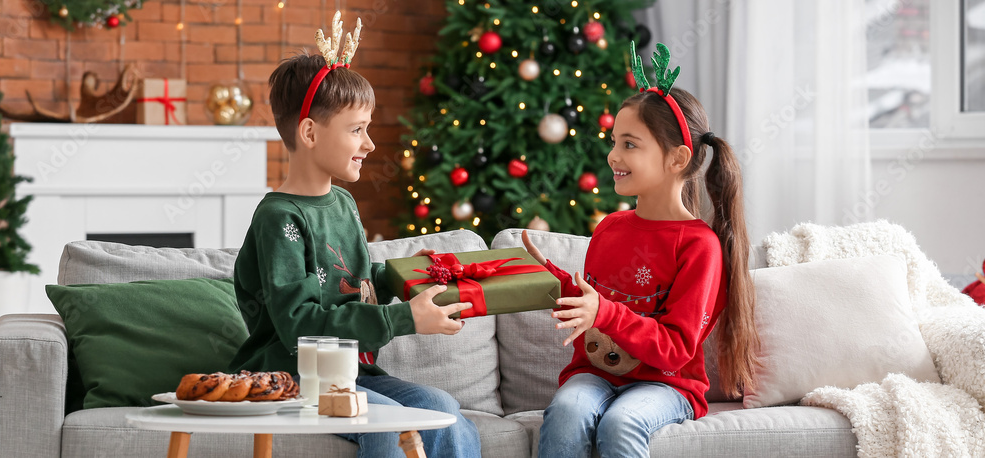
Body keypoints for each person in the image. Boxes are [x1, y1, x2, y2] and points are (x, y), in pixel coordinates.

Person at [227, 13, 481, 458]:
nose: (370, 145)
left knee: (444, 411)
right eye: (357, 130)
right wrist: (403, 319)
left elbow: (351, 282)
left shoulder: (342, 204)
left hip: (353, 373)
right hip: (295, 376)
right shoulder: (280, 218)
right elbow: (299, 326)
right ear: (309, 132)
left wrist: (410, 275)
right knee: (383, 425)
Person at [521, 43, 760, 458]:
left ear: (677, 158)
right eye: (614, 141)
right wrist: (553, 278)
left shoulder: (699, 246)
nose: (613, 155)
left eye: (630, 144)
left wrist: (602, 312)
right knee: (566, 410)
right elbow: (596, 308)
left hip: (667, 383)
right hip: (594, 374)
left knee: (622, 422)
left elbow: (676, 348)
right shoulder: (610, 227)